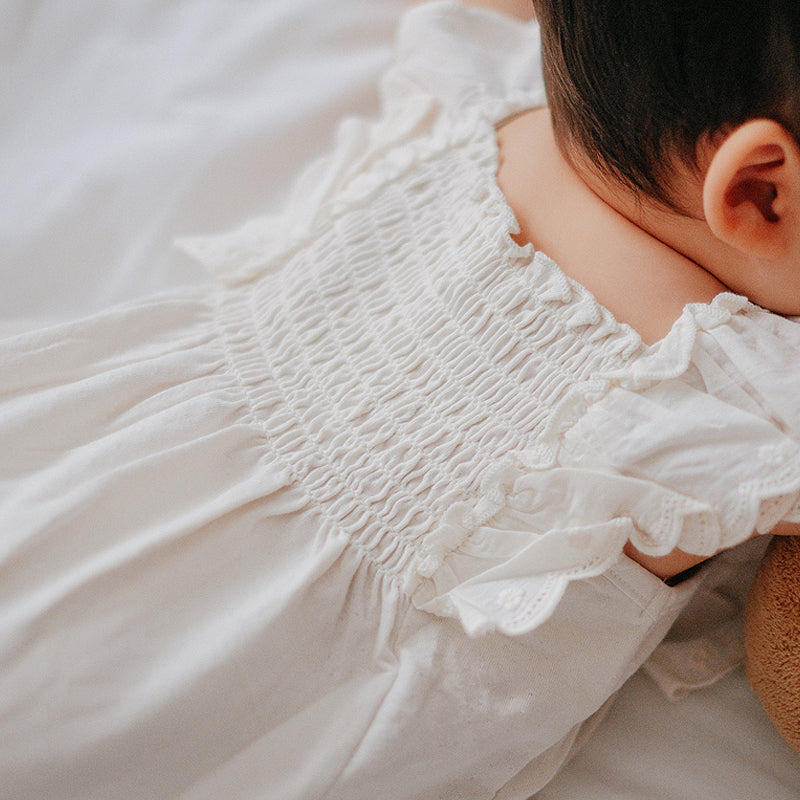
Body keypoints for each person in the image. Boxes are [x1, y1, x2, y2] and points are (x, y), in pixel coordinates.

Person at [2, 1, 800, 797]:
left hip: (120, 472)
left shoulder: (488, 95)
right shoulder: (741, 386)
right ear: (762, 194)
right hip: (266, 671)